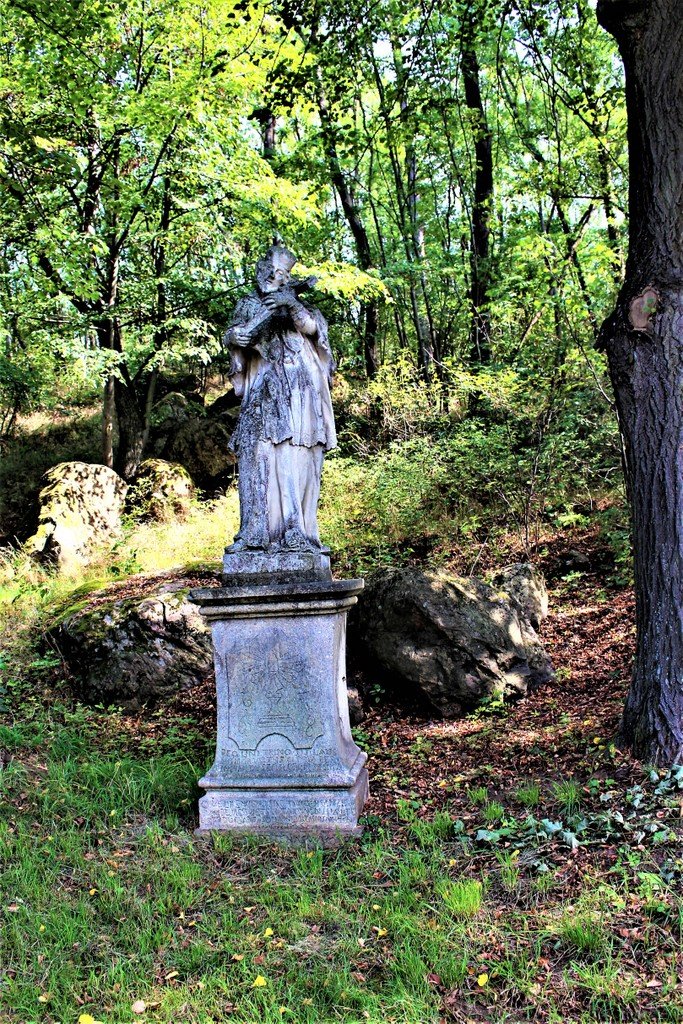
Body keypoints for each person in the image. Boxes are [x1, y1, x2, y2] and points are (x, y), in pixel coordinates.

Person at [223, 245, 336, 552]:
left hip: (300, 392)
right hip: (264, 388)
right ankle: (255, 533)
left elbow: (315, 330)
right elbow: (234, 335)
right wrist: (234, 338)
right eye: (272, 271)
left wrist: (292, 305)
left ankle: (295, 529)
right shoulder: (248, 304)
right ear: (262, 272)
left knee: (297, 454)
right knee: (255, 450)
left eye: (283, 273)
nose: (277, 277)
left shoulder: (299, 305)